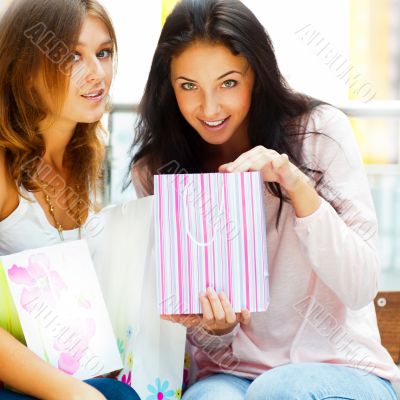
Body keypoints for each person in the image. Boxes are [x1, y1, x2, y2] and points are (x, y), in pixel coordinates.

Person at [128, 0, 400, 399]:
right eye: (189, 86)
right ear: (169, 86)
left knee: (277, 390)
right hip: (230, 377)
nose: (209, 108)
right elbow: (201, 336)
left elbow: (359, 287)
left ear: (256, 74)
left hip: (343, 372)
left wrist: (295, 183)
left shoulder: (318, 132)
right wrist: (215, 328)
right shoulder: (158, 169)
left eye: (228, 83)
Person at [0, 0, 140, 399]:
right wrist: (73, 392)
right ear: (24, 70)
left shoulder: (83, 162)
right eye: (70, 57)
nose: (97, 74)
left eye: (104, 53)